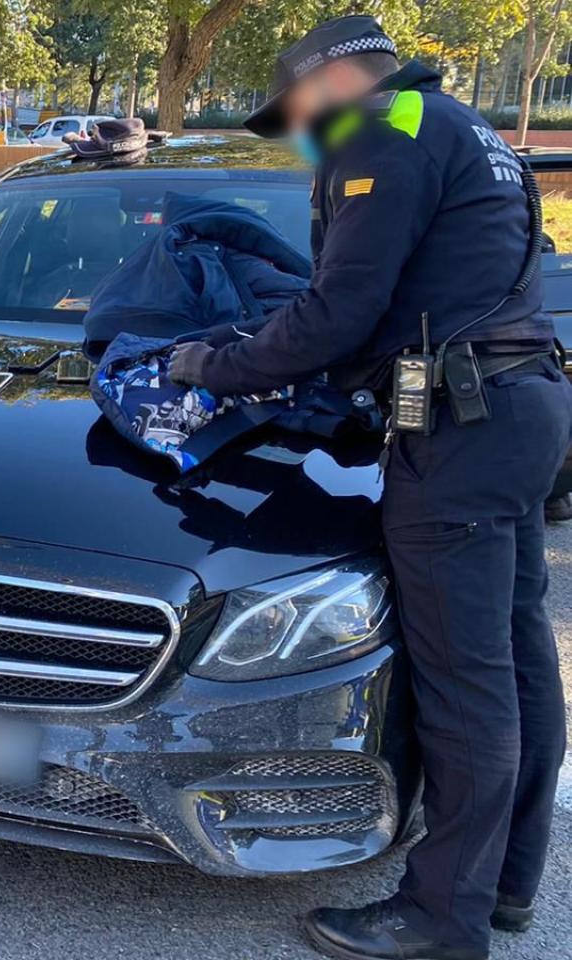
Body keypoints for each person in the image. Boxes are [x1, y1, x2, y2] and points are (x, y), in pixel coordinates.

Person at [166, 17, 572, 960]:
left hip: (464, 429)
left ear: (333, 79)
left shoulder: (378, 130)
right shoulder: (466, 127)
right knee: (514, 657)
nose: (302, 132)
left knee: (466, 684)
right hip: (520, 405)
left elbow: (337, 313)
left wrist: (211, 364)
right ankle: (505, 887)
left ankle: (442, 919)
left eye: (299, 111)